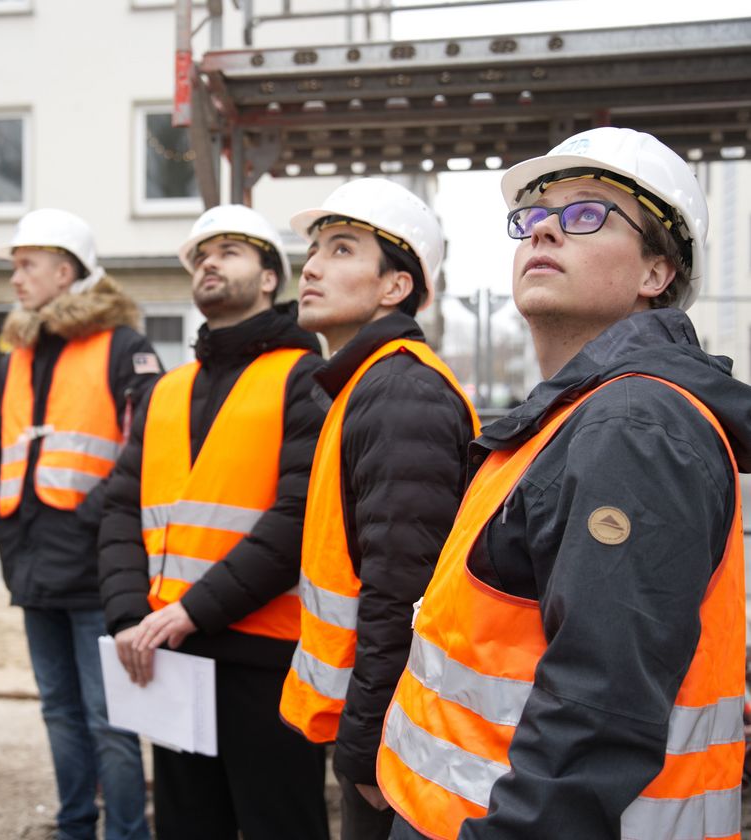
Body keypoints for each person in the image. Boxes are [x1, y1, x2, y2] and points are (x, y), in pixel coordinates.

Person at [377, 127, 751, 839]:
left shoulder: (635, 426)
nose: (545, 227)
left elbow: (599, 706)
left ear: (656, 274)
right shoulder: (574, 417)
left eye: (587, 214)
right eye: (536, 215)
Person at [99, 204, 330, 839]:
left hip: (267, 659)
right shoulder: (166, 390)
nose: (208, 260)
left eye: (229, 250)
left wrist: (193, 608)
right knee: (185, 827)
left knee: (281, 825)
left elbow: (298, 518)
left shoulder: (305, 376)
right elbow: (120, 508)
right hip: (171, 651)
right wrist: (125, 616)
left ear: (267, 279)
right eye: (201, 253)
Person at [277, 179, 478, 840]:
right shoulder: (372, 383)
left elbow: (400, 591)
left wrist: (365, 749)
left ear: (395, 287)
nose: (310, 267)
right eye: (313, 251)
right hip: (380, 725)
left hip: (389, 737)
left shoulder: (399, 393)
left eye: (340, 250)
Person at [0, 208, 158, 840]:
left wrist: (86, 522)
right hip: (30, 559)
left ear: (64, 270)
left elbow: (144, 452)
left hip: (94, 566)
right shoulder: (20, 352)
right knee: (59, 711)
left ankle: (125, 833)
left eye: (26, 265)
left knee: (110, 718)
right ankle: (75, 827)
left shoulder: (125, 348)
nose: (16, 279)